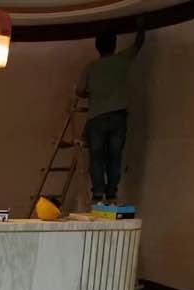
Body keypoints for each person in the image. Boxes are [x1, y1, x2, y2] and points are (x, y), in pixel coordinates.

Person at [76, 19, 146, 204]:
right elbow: (138, 44)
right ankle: (112, 194)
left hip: (97, 117)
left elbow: (80, 90)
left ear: (97, 47)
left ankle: (98, 195)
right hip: (118, 116)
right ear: (114, 45)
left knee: (97, 156)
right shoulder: (121, 59)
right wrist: (141, 25)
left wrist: (93, 92)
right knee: (115, 156)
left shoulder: (91, 67)